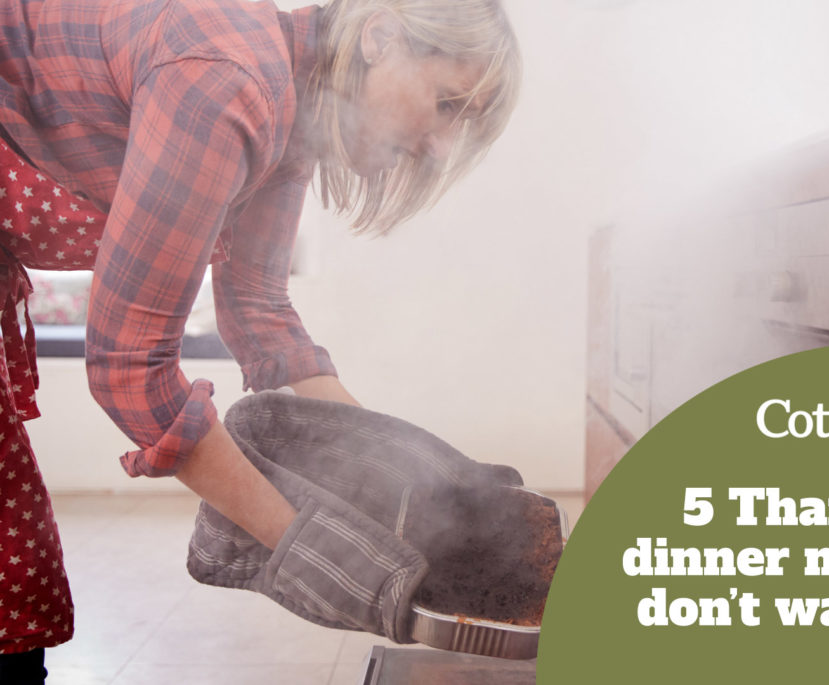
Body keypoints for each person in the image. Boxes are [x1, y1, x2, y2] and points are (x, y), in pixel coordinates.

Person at [0, 0, 520, 680]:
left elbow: (258, 308)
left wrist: (398, 473)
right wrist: (307, 546)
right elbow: (131, 365)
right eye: (448, 103)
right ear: (380, 36)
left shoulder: (294, 111)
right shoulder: (228, 76)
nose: (443, 145)